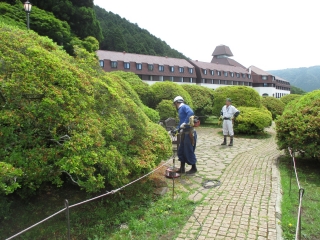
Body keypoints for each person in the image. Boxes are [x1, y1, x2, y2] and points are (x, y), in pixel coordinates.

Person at [172, 96, 197, 174]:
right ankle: (182, 168)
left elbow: (191, 113)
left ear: (176, 102)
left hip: (189, 133)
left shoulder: (184, 107)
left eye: (175, 104)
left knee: (188, 151)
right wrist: (176, 129)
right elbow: (180, 123)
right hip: (184, 133)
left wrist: (185, 122)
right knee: (181, 150)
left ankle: (194, 168)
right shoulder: (180, 109)